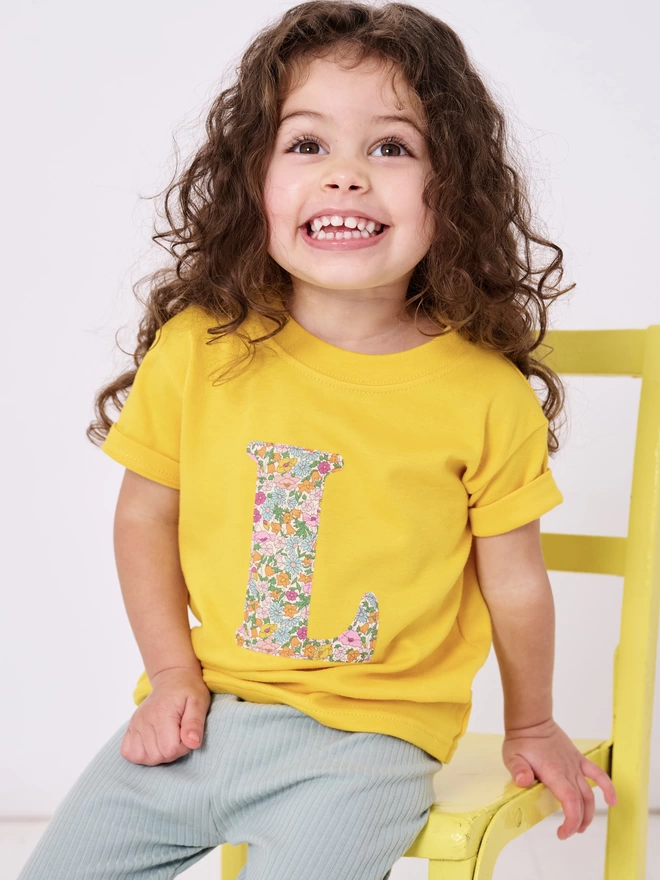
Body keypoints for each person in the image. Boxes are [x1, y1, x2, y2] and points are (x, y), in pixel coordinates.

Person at [18, 2, 618, 878]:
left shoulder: (485, 393)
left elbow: (517, 582)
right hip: (203, 716)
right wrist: (172, 676)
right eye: (307, 144)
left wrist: (530, 723)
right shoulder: (201, 346)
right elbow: (144, 519)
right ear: (251, 180)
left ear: (453, 189)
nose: (346, 176)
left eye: (391, 147)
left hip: (368, 744)